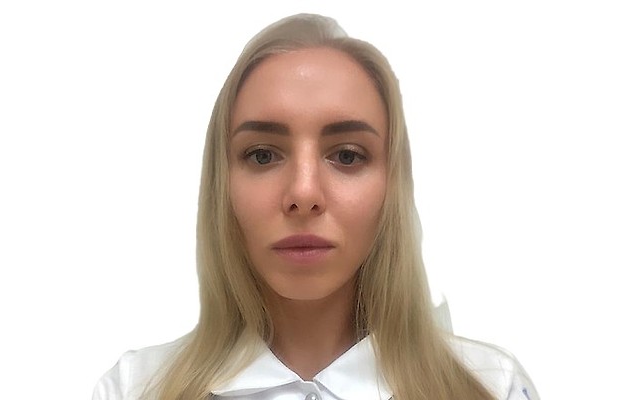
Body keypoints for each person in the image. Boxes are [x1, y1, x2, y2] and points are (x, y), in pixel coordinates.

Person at [93, 13, 539, 400]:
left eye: (346, 155)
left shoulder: (488, 387)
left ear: (392, 185)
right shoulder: (135, 388)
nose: (304, 194)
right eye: (262, 155)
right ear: (221, 185)